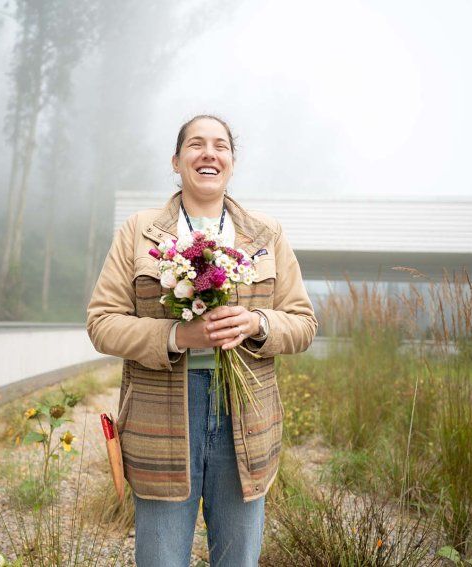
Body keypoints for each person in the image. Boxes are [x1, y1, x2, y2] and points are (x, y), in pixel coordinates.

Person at [86, 114, 317, 566]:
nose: (208, 153)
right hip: (159, 418)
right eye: (195, 144)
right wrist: (176, 334)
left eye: (220, 146)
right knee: (161, 557)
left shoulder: (266, 234)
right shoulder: (139, 231)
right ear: (177, 161)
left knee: (237, 558)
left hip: (245, 415)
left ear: (231, 162)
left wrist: (256, 323)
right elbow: (101, 321)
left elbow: (303, 323)